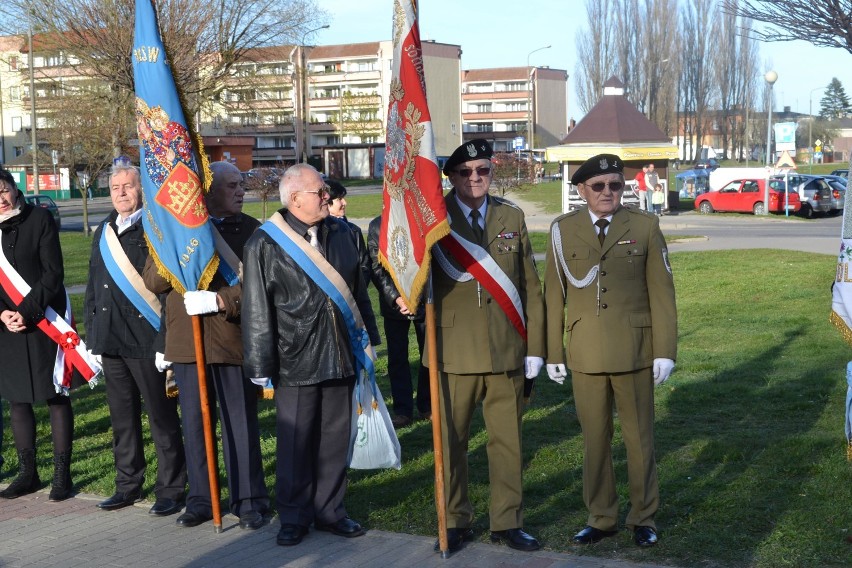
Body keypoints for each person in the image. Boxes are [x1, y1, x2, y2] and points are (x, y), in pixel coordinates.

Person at [242, 163, 380, 547]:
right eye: (319, 192)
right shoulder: (264, 243)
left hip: (341, 352)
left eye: (325, 192)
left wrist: (370, 341)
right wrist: (259, 364)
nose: (327, 197)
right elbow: (256, 308)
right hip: (295, 357)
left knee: (336, 438)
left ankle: (331, 511)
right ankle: (294, 516)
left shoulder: (346, 235)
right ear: (294, 198)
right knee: (295, 443)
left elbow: (357, 292)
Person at [543, 154, 677, 548]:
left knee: (640, 439)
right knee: (594, 439)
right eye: (598, 186)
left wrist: (665, 350)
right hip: (585, 351)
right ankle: (601, 516)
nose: (607, 193)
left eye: (615, 185)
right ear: (582, 190)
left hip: (636, 350)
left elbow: (663, 294)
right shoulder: (562, 230)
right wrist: (553, 353)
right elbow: (554, 296)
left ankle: (644, 516)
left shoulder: (644, 226)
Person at [427, 139, 545, 553]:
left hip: (505, 347)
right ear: (451, 176)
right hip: (453, 349)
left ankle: (507, 521)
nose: (475, 178)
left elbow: (530, 284)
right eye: (465, 172)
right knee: (451, 442)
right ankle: (455, 519)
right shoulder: (432, 217)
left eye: (483, 170)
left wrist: (536, 348)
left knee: (508, 441)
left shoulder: (509, 215)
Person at [143, 161, 269, 530]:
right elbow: (154, 282)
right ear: (207, 193)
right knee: (196, 427)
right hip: (186, 343)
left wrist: (221, 300)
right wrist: (181, 245)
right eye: (231, 186)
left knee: (239, 425)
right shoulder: (174, 232)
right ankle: (202, 498)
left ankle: (249, 500)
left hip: (231, 341)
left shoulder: (252, 231)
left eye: (241, 185)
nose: (240, 191)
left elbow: (260, 286)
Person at [84, 164, 187, 516]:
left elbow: (170, 289)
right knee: (122, 419)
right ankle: (127, 485)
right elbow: (93, 285)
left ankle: (171, 489)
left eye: (128, 186)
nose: (121, 192)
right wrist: (91, 336)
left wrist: (166, 341)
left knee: (162, 418)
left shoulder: (155, 228)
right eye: (115, 187)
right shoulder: (104, 230)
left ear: (141, 190)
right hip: (110, 340)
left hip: (147, 340)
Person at [0, 167, 75, 501]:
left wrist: (26, 311)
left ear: (14, 189)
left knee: (55, 395)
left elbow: (53, 273)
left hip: (45, 318)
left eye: (3, 190)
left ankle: (62, 476)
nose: (0, 199)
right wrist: (3, 314)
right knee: (17, 399)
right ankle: (27, 473)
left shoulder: (39, 219)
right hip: (7, 327)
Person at [367, 214, 429, 428]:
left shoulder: (423, 219)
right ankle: (402, 410)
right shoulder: (377, 225)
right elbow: (376, 267)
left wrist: (420, 294)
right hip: (395, 303)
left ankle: (427, 405)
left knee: (428, 355)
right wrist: (396, 297)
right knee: (397, 357)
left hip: (424, 299)